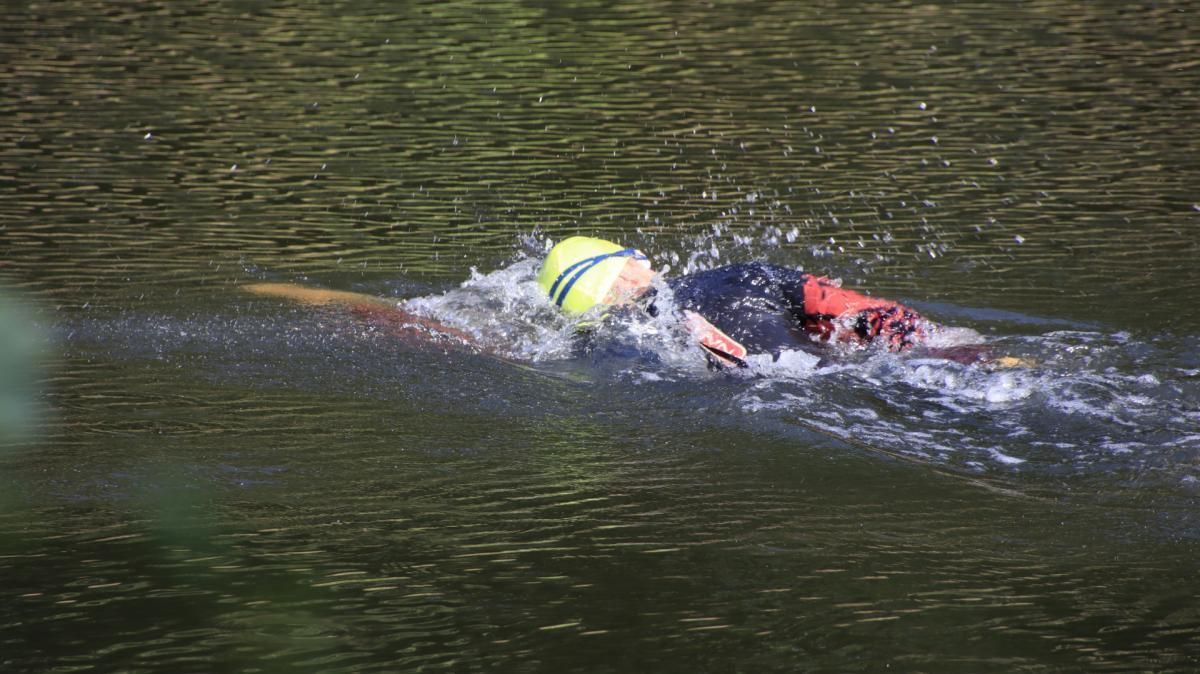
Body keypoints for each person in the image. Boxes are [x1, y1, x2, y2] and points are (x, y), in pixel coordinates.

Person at [538, 235, 956, 368]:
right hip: (822, 373)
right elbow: (872, 317)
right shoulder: (741, 274)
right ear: (629, 265)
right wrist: (959, 346)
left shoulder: (601, 346)